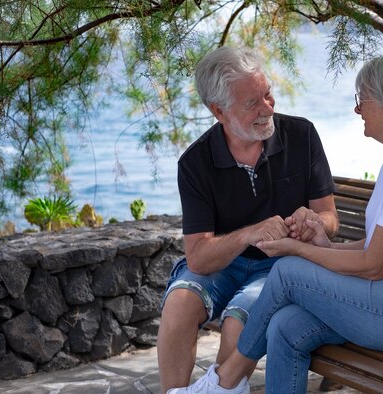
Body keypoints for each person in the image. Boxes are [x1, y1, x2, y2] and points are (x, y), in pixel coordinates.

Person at [172, 44, 383, 394]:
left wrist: (295, 248)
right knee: (285, 327)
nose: (357, 108)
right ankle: (228, 382)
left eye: (363, 98)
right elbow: (373, 248)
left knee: (288, 272)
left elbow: (373, 266)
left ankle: (225, 382)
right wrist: (323, 243)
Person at [157, 46, 339, 393]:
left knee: (236, 323)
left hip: (283, 267)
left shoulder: (302, 136)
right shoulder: (195, 163)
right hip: (224, 265)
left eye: (268, 94)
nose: (267, 108)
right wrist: (248, 234)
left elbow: (329, 218)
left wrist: (314, 222)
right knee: (179, 304)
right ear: (219, 112)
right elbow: (198, 257)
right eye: (252, 103)